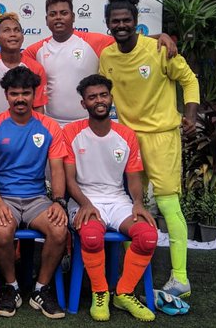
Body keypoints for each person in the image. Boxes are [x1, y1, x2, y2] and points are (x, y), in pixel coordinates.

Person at [99, 0, 199, 298]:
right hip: (128, 140)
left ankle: (180, 277)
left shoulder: (158, 49)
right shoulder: (107, 55)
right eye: (115, 21)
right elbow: (104, 93)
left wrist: (191, 115)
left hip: (163, 137)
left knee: (169, 205)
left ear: (135, 21)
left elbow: (189, 79)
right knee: (130, 207)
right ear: (108, 24)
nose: (120, 25)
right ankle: (134, 274)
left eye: (126, 20)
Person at [0, 0, 176, 127]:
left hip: (88, 123)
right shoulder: (36, 50)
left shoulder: (93, 41)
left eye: (63, 13)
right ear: (46, 19)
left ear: (73, 17)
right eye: (53, 14)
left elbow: (125, 39)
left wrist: (160, 37)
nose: (58, 18)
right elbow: (10, 56)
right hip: (53, 124)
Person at [64, 74, 158, 322]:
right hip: (84, 199)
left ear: (111, 98)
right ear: (84, 104)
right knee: (92, 235)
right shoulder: (71, 132)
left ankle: (124, 292)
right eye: (92, 97)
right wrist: (85, 203)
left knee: (148, 236)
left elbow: (134, 178)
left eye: (103, 95)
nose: (99, 100)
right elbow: (69, 180)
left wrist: (138, 203)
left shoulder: (126, 135)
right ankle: (100, 291)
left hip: (117, 200)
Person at [0, 66, 67, 319]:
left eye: (26, 93)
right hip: (4, 196)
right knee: (3, 229)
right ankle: (11, 287)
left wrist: (59, 202)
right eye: (14, 93)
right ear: (6, 95)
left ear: (34, 95)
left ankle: (42, 289)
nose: (20, 98)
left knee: (59, 229)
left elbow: (57, 169)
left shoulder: (49, 126)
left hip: (37, 199)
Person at [0, 12, 47, 135]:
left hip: (26, 135)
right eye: (6, 30)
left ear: (22, 37)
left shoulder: (35, 68)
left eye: (17, 30)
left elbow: (38, 107)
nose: (12, 34)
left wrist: (35, 136)